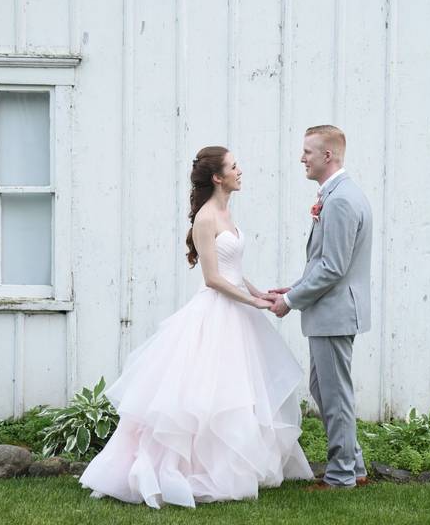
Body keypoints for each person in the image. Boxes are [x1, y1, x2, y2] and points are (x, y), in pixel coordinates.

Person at [79, 146, 313, 509]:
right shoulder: (206, 218)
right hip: (216, 312)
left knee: (237, 393)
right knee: (204, 396)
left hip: (237, 310)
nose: (241, 170)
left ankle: (233, 465)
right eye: (234, 167)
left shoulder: (227, 210)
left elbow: (232, 266)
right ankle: (182, 470)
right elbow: (213, 278)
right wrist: (250, 302)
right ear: (218, 177)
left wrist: (258, 292)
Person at [267, 125, 373, 489]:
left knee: (334, 395)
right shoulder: (338, 194)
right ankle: (354, 466)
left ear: (328, 155)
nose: (302, 158)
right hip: (331, 312)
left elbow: (333, 267)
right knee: (324, 390)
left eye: (308, 152)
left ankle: (341, 475)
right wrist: (293, 287)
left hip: (335, 314)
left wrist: (290, 302)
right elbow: (326, 263)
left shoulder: (341, 199)